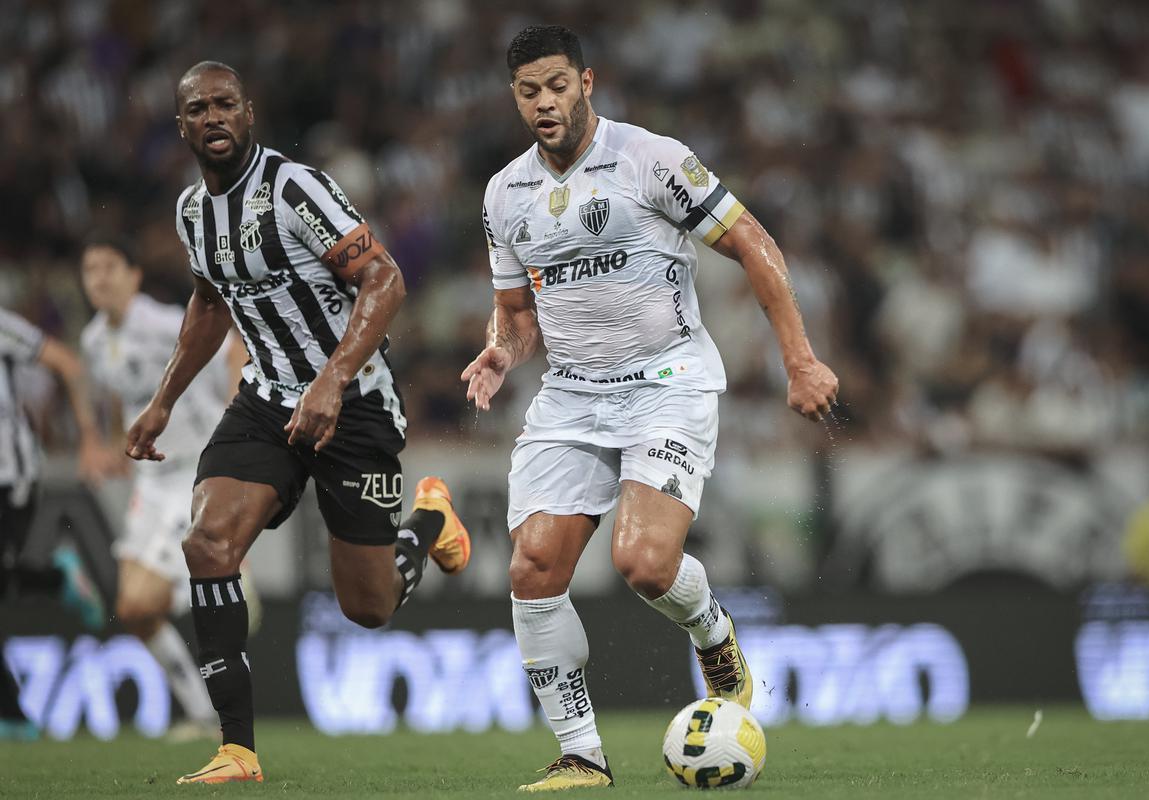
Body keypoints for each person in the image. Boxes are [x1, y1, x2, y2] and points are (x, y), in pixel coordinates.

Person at [461, 26, 839, 791]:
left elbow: (753, 242)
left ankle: (710, 629)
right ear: (514, 98)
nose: (544, 103)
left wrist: (799, 359)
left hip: (666, 381)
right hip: (570, 394)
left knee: (641, 563)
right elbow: (516, 313)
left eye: (556, 86)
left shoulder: (650, 159)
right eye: (529, 91)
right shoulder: (504, 193)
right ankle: (581, 755)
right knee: (532, 567)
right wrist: (500, 351)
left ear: (586, 82)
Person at [125, 61, 471, 784]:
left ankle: (430, 520)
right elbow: (210, 305)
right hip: (265, 400)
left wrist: (332, 380)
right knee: (208, 543)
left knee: (368, 608)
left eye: (225, 104)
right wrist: (162, 401)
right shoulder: (193, 211)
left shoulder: (294, 189)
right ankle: (237, 749)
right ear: (181, 125)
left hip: (354, 402)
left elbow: (384, 279)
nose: (214, 117)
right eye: (198, 109)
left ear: (247, 113)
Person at [79, 233, 252, 741]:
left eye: (109, 266)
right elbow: (122, 394)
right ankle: (201, 714)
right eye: (90, 269)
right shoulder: (93, 340)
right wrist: (115, 439)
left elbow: (234, 345)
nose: (99, 279)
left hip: (194, 470)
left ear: (134, 276)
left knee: (142, 601)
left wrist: (237, 411)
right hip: (149, 480)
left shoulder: (161, 323)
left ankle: (226, 580)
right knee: (134, 612)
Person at [0, 306, 110, 740]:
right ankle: (54, 578)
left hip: (10, 478)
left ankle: (13, 717)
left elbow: (67, 362)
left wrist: (88, 437)